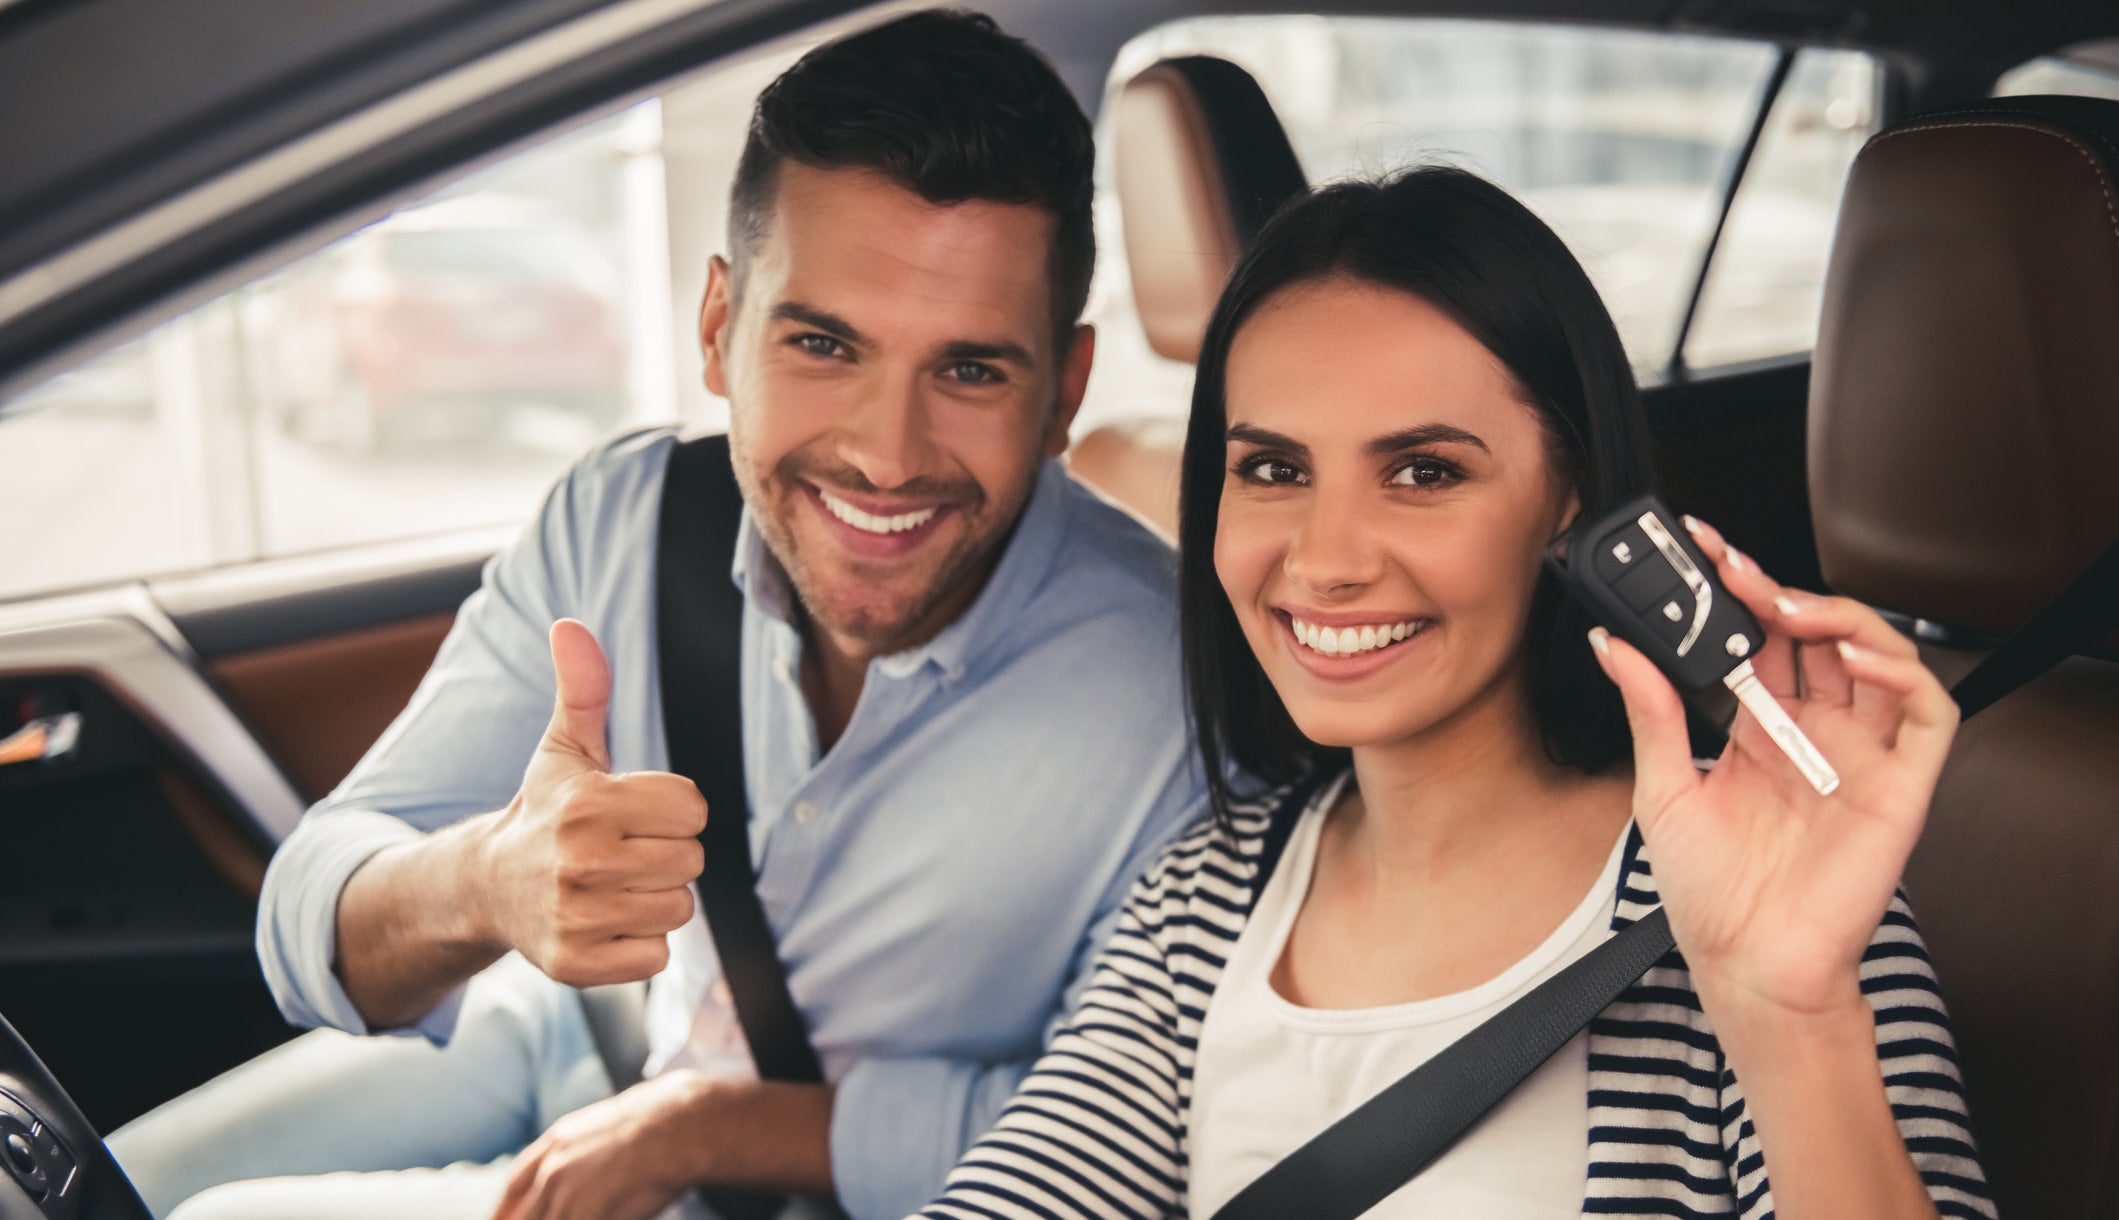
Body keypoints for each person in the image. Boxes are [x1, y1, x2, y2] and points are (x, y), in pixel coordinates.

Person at [108, 12, 1206, 1220]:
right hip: (569, 1031)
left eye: (970, 369)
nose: (887, 456)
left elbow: (1135, 1131)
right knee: (100, 1184)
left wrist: (716, 1125)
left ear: (1065, 391)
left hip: (820, 1188)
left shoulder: (1169, 696)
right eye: (823, 343)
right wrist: (490, 881)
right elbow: (313, 911)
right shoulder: (628, 520)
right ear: (718, 330)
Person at [911, 168, 1996, 1219]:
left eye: (1424, 471)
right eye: (1274, 469)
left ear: (1569, 500)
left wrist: (1789, 1015)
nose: (1325, 558)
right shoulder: (1200, 899)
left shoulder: (1761, 877)